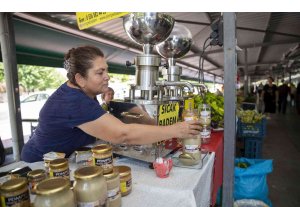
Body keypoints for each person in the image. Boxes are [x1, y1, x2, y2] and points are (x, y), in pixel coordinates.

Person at [21, 46, 201, 162]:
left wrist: (106, 105)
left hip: (65, 158)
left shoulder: (81, 92)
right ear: (80, 78)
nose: (107, 76)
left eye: (106, 70)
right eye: (100, 73)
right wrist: (175, 130)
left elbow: (90, 121)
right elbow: (122, 134)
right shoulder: (73, 101)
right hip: (38, 165)